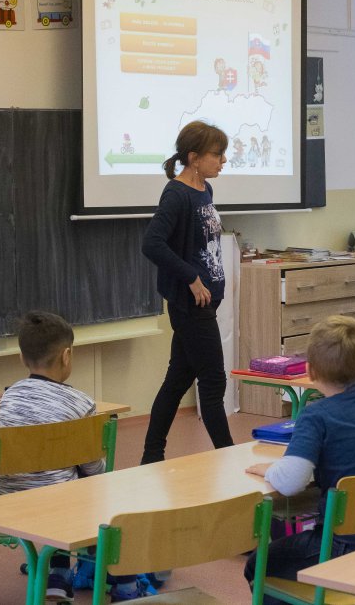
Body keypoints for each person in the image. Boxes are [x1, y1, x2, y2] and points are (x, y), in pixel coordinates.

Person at [243, 316, 355, 597]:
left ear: (310, 371)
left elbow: (291, 481)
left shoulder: (316, 416)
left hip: (344, 545)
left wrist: (268, 469)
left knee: (257, 564)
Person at [0, 311, 107, 602]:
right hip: (59, 506)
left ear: (22, 357)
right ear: (66, 356)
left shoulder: (8, 398)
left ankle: (47, 565)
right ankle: (65, 569)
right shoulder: (81, 403)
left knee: (58, 478)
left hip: (9, 502)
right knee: (90, 479)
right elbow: (93, 468)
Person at [141, 121, 234, 465]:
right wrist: (192, 277)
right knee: (213, 382)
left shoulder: (205, 189)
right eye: (217, 154)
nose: (223, 161)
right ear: (194, 157)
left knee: (177, 380)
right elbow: (152, 243)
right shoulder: (176, 194)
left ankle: (151, 456)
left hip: (206, 303)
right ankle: (228, 456)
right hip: (190, 305)